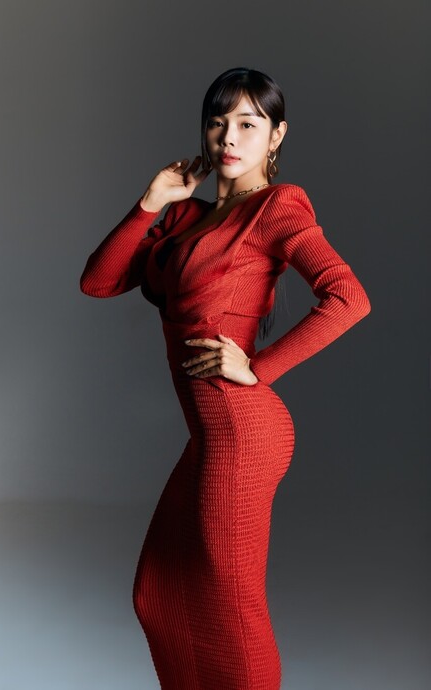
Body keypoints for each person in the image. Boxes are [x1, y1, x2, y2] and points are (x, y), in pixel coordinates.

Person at [80, 66, 371, 690]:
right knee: (158, 594)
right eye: (217, 123)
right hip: (210, 435)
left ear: (276, 136)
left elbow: (349, 298)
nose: (229, 138)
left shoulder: (277, 207)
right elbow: (98, 282)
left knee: (232, 606)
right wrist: (151, 202)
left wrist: (257, 368)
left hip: (243, 430)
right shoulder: (186, 216)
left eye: (247, 123)